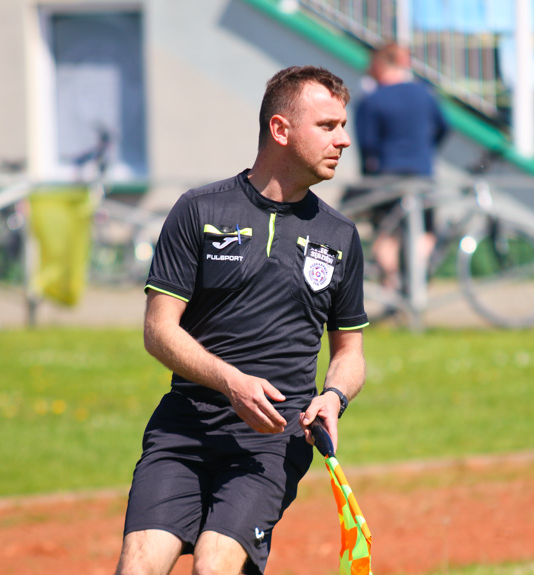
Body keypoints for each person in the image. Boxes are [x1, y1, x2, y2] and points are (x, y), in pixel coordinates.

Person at [116, 66, 368, 575]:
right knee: (138, 565)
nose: (343, 140)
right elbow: (158, 329)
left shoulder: (340, 235)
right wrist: (230, 381)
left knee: (214, 564)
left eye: (343, 125)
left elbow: (349, 352)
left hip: (273, 440)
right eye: (327, 126)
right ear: (280, 130)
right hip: (184, 426)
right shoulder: (198, 210)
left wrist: (334, 397)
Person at [354, 42, 449, 293]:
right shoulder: (425, 94)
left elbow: (367, 144)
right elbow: (444, 128)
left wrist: (368, 175)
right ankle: (415, 285)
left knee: (386, 235)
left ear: (379, 65)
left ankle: (393, 287)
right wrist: (425, 152)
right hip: (421, 174)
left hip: (386, 177)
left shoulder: (373, 100)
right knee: (425, 231)